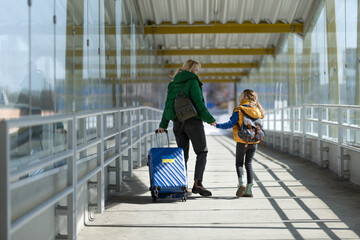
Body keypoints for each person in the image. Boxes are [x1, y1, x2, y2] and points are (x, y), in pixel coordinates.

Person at [157, 59, 216, 197]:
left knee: (182, 155)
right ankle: (198, 184)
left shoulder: (172, 84)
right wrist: (210, 120)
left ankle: (181, 184)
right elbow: (199, 104)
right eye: (196, 70)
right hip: (193, 122)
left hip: (177, 124)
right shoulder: (192, 81)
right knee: (202, 152)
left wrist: (163, 125)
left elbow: (168, 106)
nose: (197, 73)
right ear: (190, 69)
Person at [215, 89, 265, 197]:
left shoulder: (239, 109)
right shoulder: (257, 109)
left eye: (241, 95)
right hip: (254, 141)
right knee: (249, 164)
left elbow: (230, 124)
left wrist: (217, 125)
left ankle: (241, 183)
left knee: (239, 163)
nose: (239, 97)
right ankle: (249, 189)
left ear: (245, 97)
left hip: (242, 141)